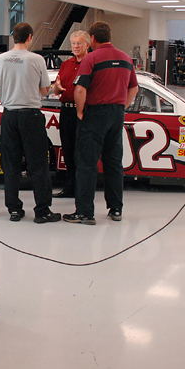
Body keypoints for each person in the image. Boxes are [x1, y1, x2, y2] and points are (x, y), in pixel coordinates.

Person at [64, 22, 138, 226]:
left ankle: (85, 213)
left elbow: (80, 89)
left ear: (93, 39)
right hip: (116, 114)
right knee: (114, 162)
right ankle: (116, 209)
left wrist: (80, 111)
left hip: (95, 113)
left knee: (87, 163)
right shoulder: (125, 58)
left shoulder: (91, 58)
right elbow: (134, 88)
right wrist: (122, 106)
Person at [0, 22, 60, 224]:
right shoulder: (36, 59)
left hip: (9, 116)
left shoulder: (0, 59)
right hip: (30, 115)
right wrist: (54, 88)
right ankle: (42, 211)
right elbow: (43, 90)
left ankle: (14, 209)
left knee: (11, 164)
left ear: (13, 37)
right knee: (38, 164)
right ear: (30, 37)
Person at [51, 30, 90, 198]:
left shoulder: (91, 63)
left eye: (79, 43)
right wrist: (56, 89)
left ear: (87, 45)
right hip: (66, 111)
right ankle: (70, 187)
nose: (75, 46)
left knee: (82, 152)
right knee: (67, 150)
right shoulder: (66, 64)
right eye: (73, 43)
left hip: (83, 112)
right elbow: (55, 88)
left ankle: (82, 189)